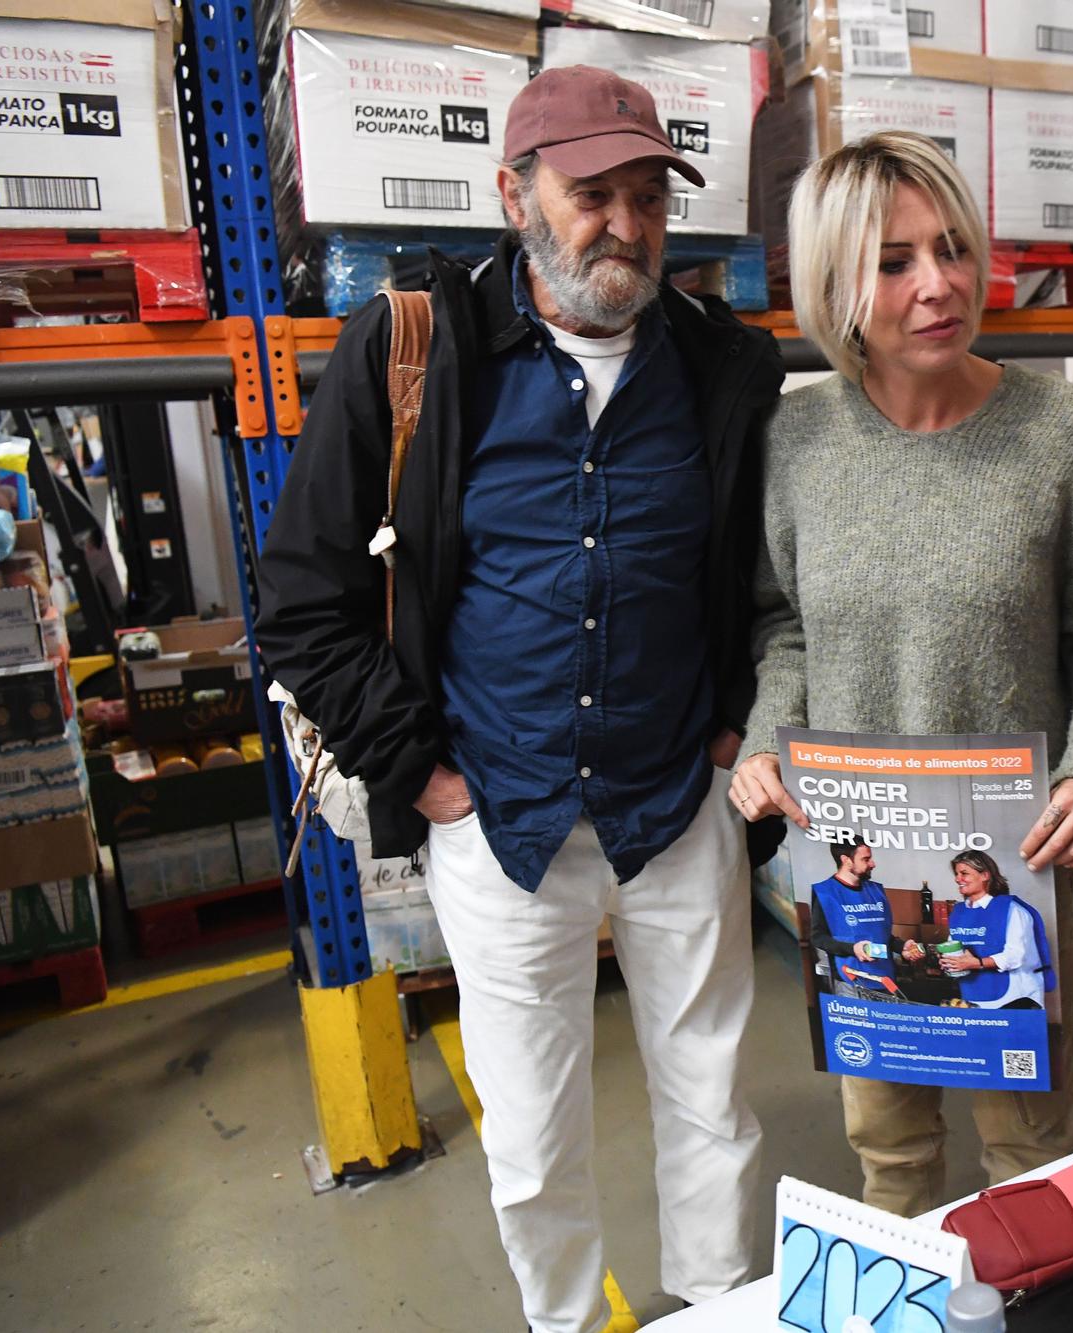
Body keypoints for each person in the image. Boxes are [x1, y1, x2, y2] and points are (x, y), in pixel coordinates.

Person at [253, 67, 785, 1330]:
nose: (624, 223)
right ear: (514, 194)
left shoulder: (721, 367)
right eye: (589, 193)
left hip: (675, 802)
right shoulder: (412, 349)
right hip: (499, 819)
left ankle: (714, 1308)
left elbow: (774, 574)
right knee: (534, 1135)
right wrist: (419, 770)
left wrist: (736, 722)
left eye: (647, 196)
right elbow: (298, 600)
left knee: (712, 1099)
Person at [727, 131, 1073, 1216]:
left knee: (1028, 1153)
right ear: (835, 284)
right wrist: (760, 743)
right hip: (856, 872)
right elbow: (781, 626)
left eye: (953, 248)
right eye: (892, 262)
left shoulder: (1055, 429)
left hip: (1012, 865)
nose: (940, 285)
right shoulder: (792, 443)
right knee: (887, 1149)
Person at [811, 836, 926, 999]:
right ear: (846, 860)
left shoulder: (876, 891)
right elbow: (818, 938)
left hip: (886, 980)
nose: (873, 863)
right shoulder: (825, 892)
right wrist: (853, 949)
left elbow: (883, 936)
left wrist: (902, 947)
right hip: (851, 982)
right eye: (866, 859)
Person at [940, 850, 1055, 1010]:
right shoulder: (959, 912)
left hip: (1015, 998)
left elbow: (1015, 956)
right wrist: (950, 961)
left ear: (985, 875)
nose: (958, 879)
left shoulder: (1012, 910)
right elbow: (955, 947)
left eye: (964, 873)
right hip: (974, 995)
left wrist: (976, 963)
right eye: (957, 873)